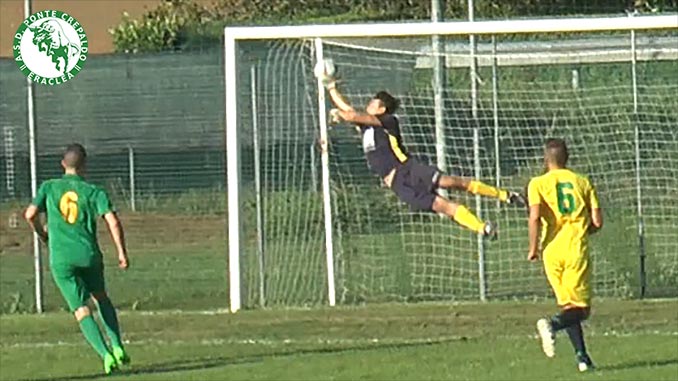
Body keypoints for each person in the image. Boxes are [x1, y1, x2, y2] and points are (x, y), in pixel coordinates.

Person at [316, 65, 525, 238]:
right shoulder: (367, 127)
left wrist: (340, 114)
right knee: (443, 206)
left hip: (407, 168)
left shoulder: (388, 121)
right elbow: (351, 112)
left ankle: (506, 195)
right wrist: (332, 88)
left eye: (373, 103)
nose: (368, 105)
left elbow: (351, 115)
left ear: (381, 110)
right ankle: (483, 228)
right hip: (397, 184)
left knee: (453, 183)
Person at [24, 143, 131, 375]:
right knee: (101, 297)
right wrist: (121, 252)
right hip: (89, 255)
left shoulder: (49, 187)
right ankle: (119, 346)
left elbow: (30, 214)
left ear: (63, 164)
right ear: (84, 166)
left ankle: (106, 355)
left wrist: (42, 233)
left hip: (62, 258)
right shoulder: (94, 191)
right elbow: (112, 221)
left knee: (81, 309)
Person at [527, 138, 603, 372]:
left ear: (545, 160)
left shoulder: (537, 183)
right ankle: (551, 325)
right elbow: (598, 221)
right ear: (567, 158)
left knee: (569, 306)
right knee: (582, 310)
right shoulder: (582, 181)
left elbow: (534, 217)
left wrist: (533, 248)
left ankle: (582, 358)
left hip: (551, 251)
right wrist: (585, 229)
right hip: (574, 249)